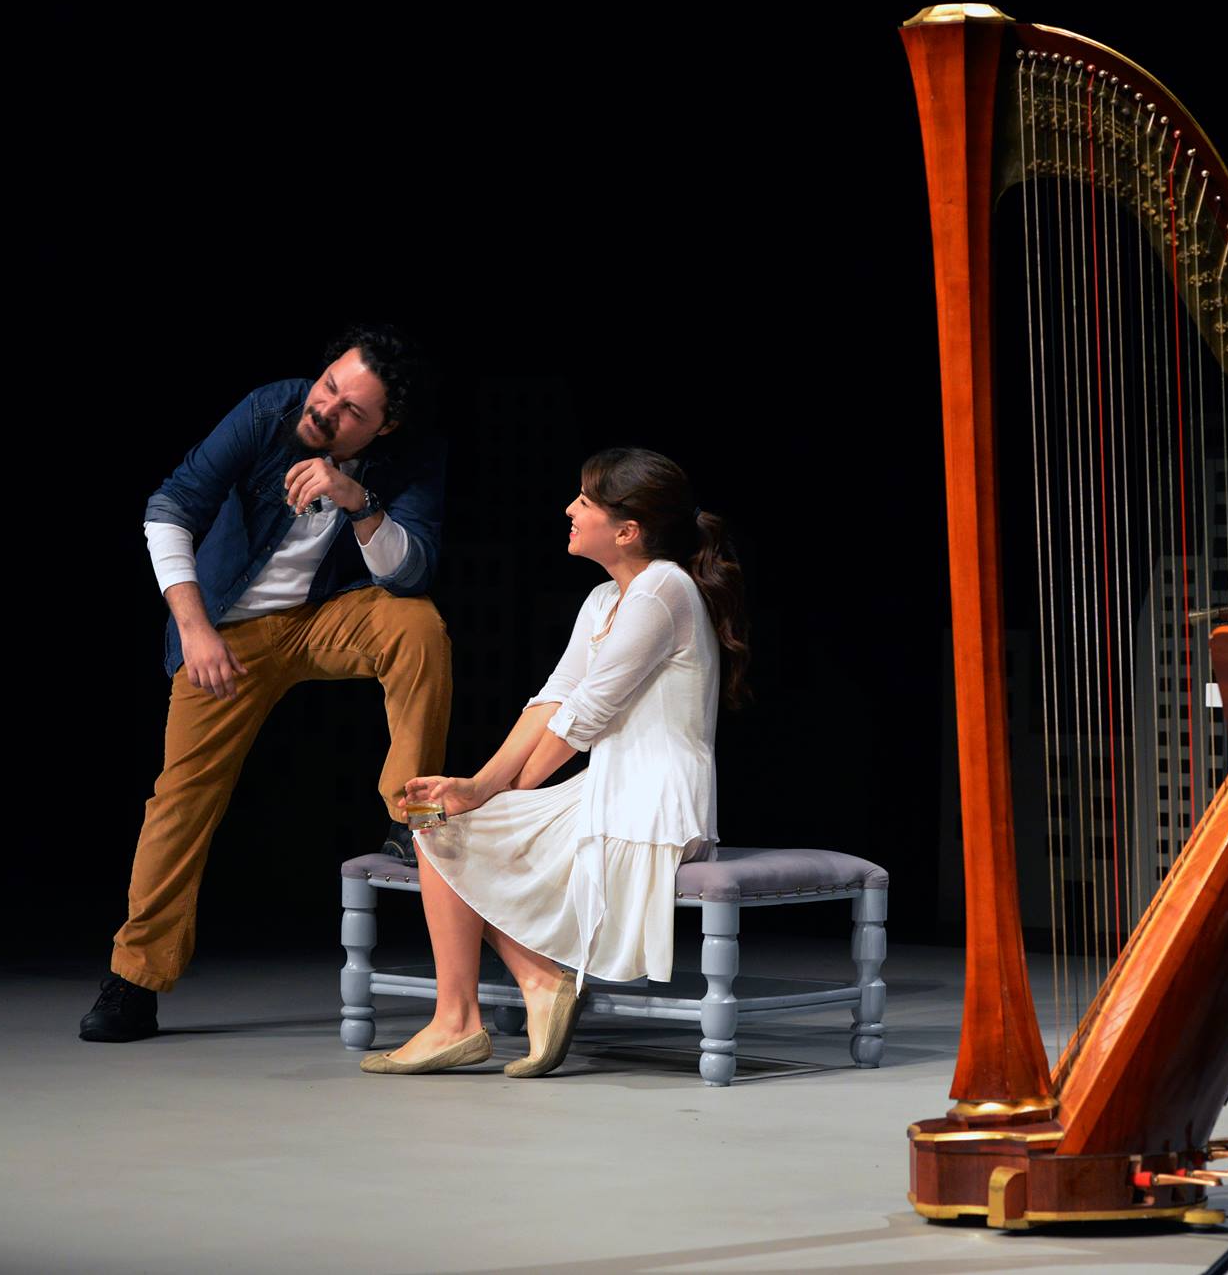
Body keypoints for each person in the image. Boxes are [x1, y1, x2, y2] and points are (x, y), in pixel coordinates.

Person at [80, 324, 451, 1043]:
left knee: (418, 626)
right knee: (181, 799)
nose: (326, 409)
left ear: (385, 426)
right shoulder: (268, 410)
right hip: (227, 632)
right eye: (329, 387)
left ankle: (410, 817)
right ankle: (134, 980)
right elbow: (170, 508)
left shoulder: (413, 454)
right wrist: (195, 630)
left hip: (323, 618)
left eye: (351, 410)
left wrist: (357, 499)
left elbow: (409, 574)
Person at [362, 447, 748, 1077]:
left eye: (585, 502)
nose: (570, 509)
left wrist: (490, 793)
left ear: (626, 531)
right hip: (608, 789)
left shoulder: (663, 590)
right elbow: (554, 698)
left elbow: (585, 718)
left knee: (448, 828)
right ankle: (514, 993)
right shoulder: (604, 598)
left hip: (653, 804)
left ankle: (481, 1010)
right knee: (438, 821)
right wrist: (476, 786)